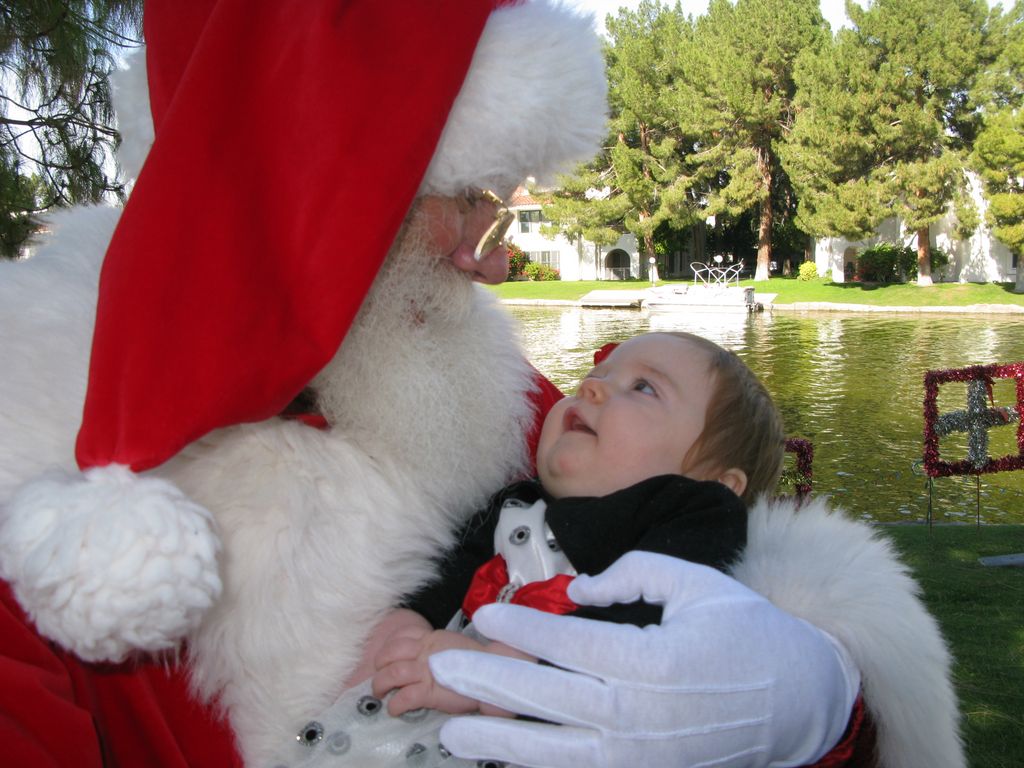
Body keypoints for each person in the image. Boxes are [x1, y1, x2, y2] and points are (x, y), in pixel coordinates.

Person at [0, 3, 963, 768]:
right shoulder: (33, 418)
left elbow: (723, 565)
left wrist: (821, 688)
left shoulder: (470, 377)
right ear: (320, 180)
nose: (490, 263)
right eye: (465, 202)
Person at [267, 332, 861, 768]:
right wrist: (408, 618)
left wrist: (509, 671)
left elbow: (648, 629)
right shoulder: (517, 498)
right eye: (597, 373)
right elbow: (451, 567)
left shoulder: (691, 514)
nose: (593, 386)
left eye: (644, 387)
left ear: (717, 482)